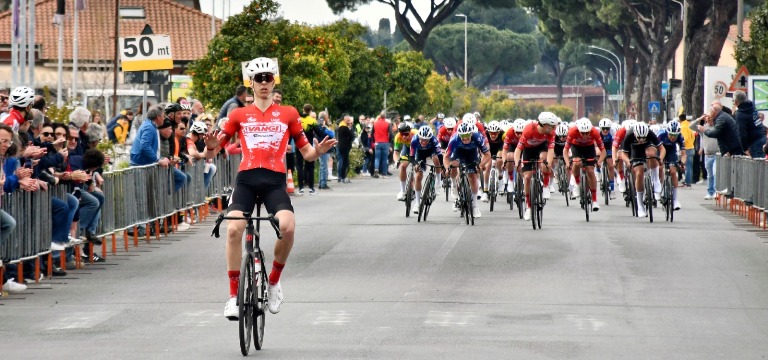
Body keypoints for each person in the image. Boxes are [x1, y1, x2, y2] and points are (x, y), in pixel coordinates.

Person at [203, 57, 337, 318]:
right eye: (258, 79)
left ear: (274, 82)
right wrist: (209, 146)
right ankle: (233, 296)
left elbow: (307, 153)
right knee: (233, 229)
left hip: (274, 180)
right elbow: (212, 154)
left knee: (287, 227)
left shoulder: (288, 113)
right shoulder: (238, 114)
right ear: (250, 84)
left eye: (268, 78)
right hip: (246, 179)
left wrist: (318, 151)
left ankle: (274, 282)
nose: (264, 83)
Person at [513, 112, 557, 221]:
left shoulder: (551, 133)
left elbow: (551, 150)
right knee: (527, 177)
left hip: (542, 147)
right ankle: (528, 206)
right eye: (552, 126)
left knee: (544, 160)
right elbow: (518, 149)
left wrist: (548, 164)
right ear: (544, 125)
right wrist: (517, 162)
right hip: (528, 150)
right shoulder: (529, 130)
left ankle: (545, 185)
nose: (554, 128)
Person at [444, 122, 490, 218]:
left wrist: (481, 165)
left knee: (473, 176)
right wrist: (447, 167)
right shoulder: (454, 139)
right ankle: (455, 188)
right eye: (463, 136)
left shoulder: (477, 137)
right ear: (459, 135)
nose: (465, 139)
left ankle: (474, 206)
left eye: (467, 136)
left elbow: (487, 155)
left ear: (471, 134)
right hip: (458, 153)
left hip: (471, 154)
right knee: (454, 166)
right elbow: (446, 157)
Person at [620, 122, 665, 218]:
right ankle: (640, 205)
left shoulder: (649, 133)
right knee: (639, 172)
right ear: (635, 134)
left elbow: (662, 148)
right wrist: (628, 161)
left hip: (648, 146)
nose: (641, 140)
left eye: (643, 137)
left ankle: (656, 179)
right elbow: (623, 154)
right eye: (639, 138)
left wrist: (660, 159)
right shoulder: (629, 135)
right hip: (635, 150)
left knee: (652, 154)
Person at [563, 118, 605, 211]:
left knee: (590, 171)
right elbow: (565, 150)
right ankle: (577, 184)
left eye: (587, 133)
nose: (585, 135)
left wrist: (599, 162)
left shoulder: (595, 132)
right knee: (577, 163)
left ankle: (594, 201)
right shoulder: (573, 131)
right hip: (576, 147)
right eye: (583, 133)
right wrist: (567, 162)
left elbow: (603, 151)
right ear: (578, 130)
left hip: (589, 148)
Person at [410, 126, 443, 207]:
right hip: (419, 154)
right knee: (418, 176)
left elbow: (440, 155)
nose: (424, 142)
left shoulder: (434, 140)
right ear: (419, 137)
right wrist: (416, 164)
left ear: (430, 138)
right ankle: (417, 203)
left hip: (431, 151)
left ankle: (439, 181)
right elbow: (411, 157)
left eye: (426, 140)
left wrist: (442, 167)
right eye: (422, 139)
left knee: (436, 158)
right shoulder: (414, 140)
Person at [657, 120, 685, 210]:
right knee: (660, 167)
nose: (673, 137)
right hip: (660, 149)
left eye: (675, 135)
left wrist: (682, 163)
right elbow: (654, 148)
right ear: (667, 132)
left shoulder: (680, 137)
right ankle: (659, 188)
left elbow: (684, 154)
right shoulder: (661, 134)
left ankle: (675, 200)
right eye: (671, 135)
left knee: (673, 172)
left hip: (671, 150)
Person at [733, 90, 767, 158]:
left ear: (736, 101)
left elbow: (741, 133)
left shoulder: (740, 114)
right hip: (763, 137)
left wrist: (745, 148)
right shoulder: (751, 106)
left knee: (758, 166)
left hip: (754, 142)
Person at [371, 111, 392, 178]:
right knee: (385, 158)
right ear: (385, 117)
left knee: (377, 158)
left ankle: (376, 170)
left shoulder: (375, 123)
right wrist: (389, 141)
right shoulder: (387, 124)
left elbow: (372, 133)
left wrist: (374, 140)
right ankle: (384, 173)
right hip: (385, 142)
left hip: (377, 142)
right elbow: (391, 134)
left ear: (380, 116)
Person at [336, 115, 354, 183]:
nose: (349, 122)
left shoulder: (340, 126)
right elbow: (352, 136)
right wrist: (350, 128)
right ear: (344, 119)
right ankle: (343, 177)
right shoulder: (344, 127)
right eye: (348, 120)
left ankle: (340, 176)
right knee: (345, 162)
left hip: (341, 146)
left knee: (341, 161)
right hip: (344, 146)